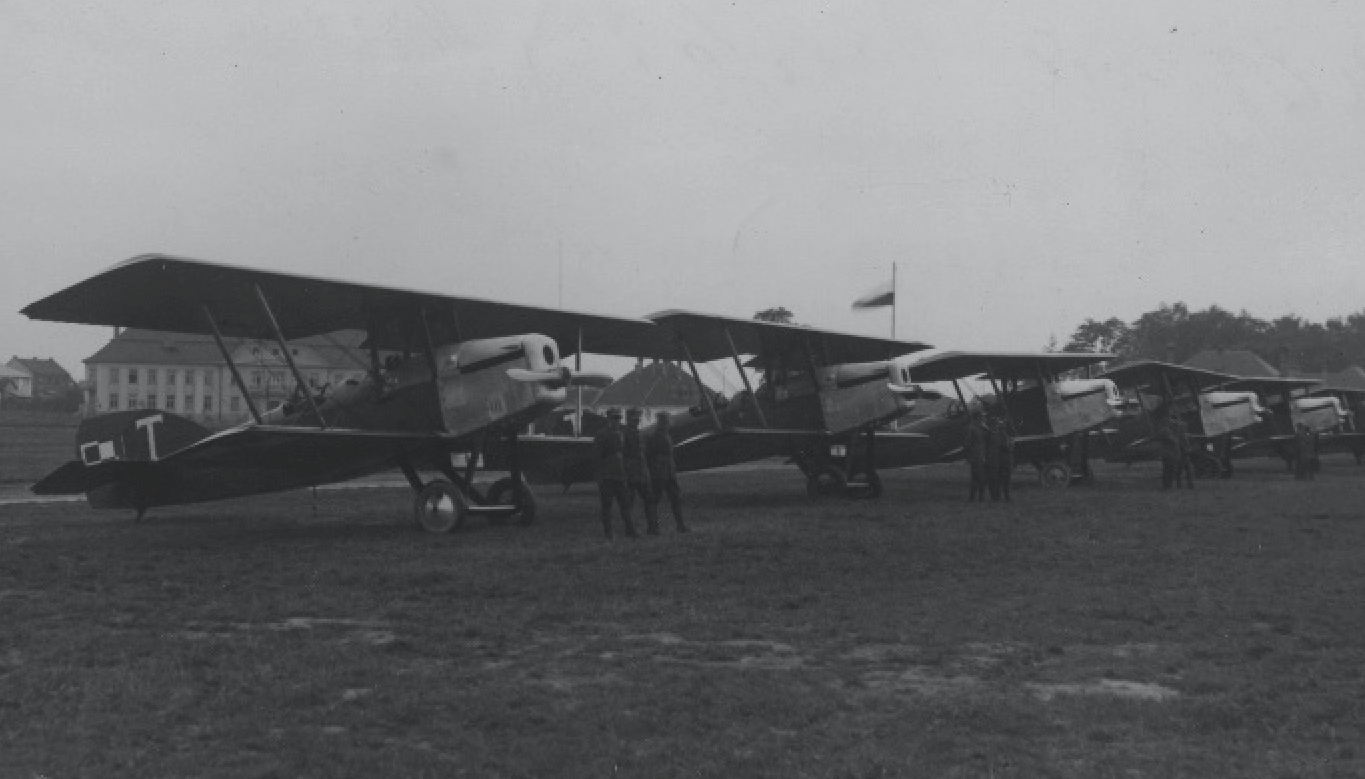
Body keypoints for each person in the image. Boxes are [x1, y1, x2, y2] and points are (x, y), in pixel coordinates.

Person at [594, 408, 636, 538]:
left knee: (625, 504)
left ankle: (630, 530)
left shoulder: (622, 434)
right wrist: (600, 475)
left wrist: (626, 468)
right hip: (607, 475)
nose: (616, 421)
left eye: (618, 418)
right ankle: (608, 533)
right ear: (608, 419)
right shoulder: (601, 434)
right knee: (607, 506)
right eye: (614, 418)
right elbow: (597, 456)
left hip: (620, 474)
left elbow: (627, 452)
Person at [646, 411, 689, 533]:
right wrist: (654, 470)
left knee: (675, 498)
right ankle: (653, 527)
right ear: (662, 422)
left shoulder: (665, 435)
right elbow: (649, 455)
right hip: (659, 472)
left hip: (669, 471)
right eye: (666, 422)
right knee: (655, 499)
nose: (668, 424)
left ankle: (680, 525)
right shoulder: (654, 436)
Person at [622, 408, 657, 534]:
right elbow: (621, 454)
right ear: (627, 419)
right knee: (628, 503)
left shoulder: (640, 433)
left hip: (642, 472)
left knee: (650, 499)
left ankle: (652, 528)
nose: (636, 422)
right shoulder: (623, 434)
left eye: (638, 419)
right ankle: (629, 529)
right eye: (634, 419)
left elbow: (645, 452)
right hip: (630, 473)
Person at [963, 406, 990, 502]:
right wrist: (970, 456)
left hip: (981, 456)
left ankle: (974, 498)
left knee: (977, 478)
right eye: (982, 417)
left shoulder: (981, 427)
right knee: (979, 478)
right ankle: (979, 498)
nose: (984, 418)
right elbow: (967, 444)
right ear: (977, 417)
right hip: (976, 457)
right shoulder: (972, 428)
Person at [986, 413, 1014, 502]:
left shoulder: (997, 434)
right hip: (1001, 460)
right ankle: (1001, 496)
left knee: (999, 479)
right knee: (1002, 479)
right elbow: (1005, 446)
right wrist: (1010, 444)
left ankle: (999, 497)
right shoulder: (998, 435)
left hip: (1000, 460)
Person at [1155, 407, 1181, 489]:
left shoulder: (1168, 429)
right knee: (1168, 469)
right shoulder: (1165, 430)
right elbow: (1172, 440)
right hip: (1168, 453)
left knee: (1170, 469)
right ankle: (1167, 485)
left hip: (1170, 452)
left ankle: (1168, 485)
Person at [1172, 412, 1195, 489]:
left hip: (1182, 452)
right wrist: (1187, 449)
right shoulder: (1180, 434)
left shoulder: (1180, 433)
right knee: (1186, 469)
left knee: (1182, 469)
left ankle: (1183, 484)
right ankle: (1188, 484)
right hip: (1182, 452)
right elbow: (1182, 443)